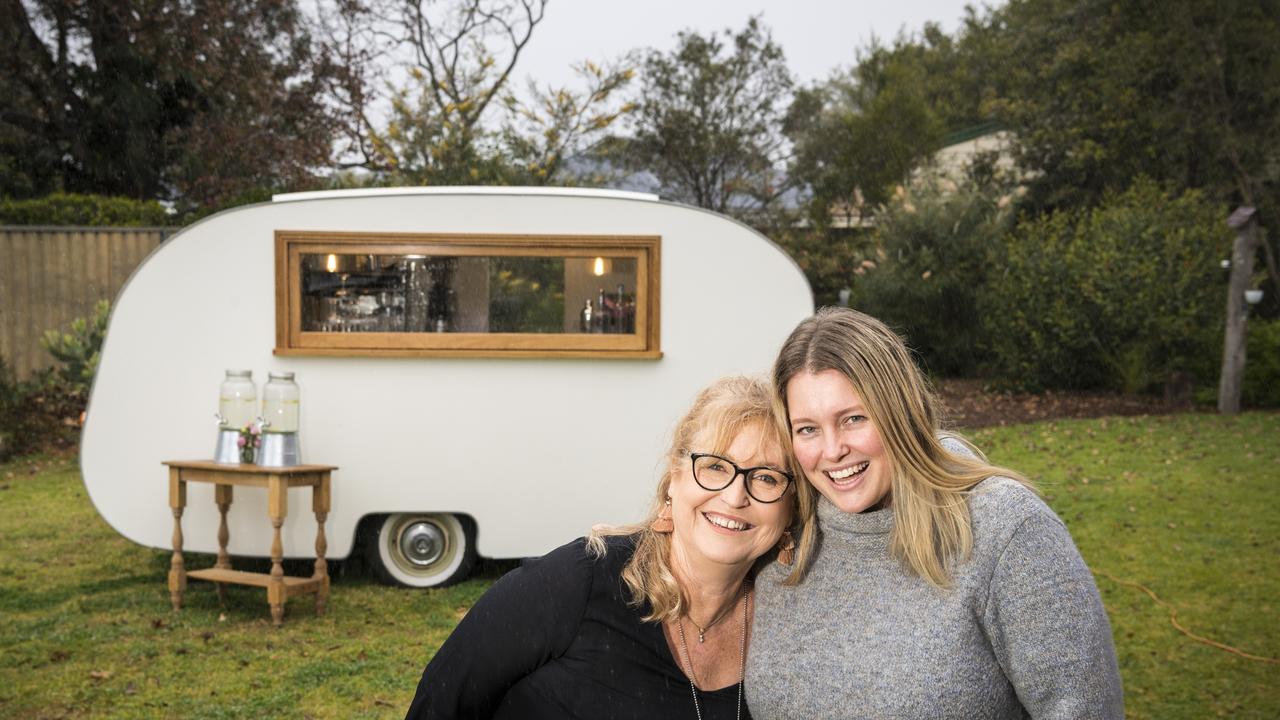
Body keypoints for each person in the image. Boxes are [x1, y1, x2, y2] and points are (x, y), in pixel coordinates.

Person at [746, 307, 1123, 719]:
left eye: (853, 419)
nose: (832, 450)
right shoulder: (782, 530)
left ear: (900, 411)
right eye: (808, 429)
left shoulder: (1006, 530)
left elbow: (1083, 708)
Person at [406, 375, 804, 720]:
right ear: (674, 480)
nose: (735, 496)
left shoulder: (787, 626)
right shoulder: (577, 582)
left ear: (792, 509)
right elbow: (442, 701)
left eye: (766, 478)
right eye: (715, 466)